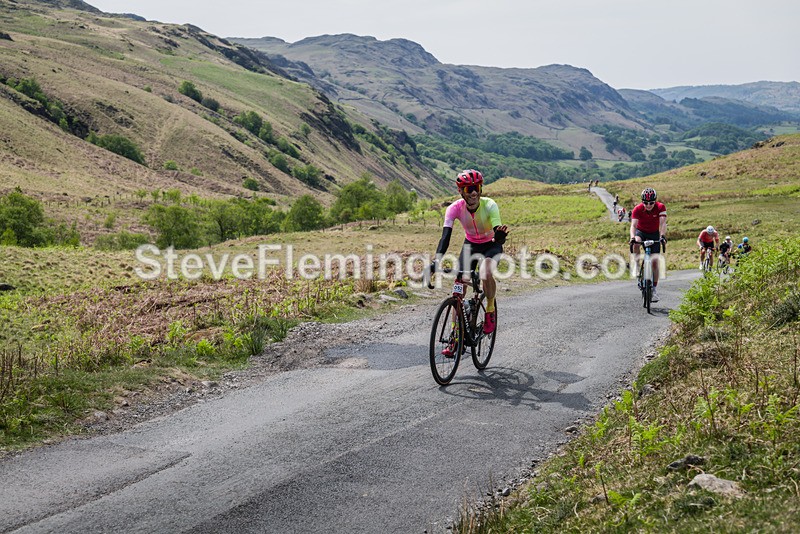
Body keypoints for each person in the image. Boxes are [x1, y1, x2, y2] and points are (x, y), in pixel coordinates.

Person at [431, 170, 509, 350]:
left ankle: (490, 309)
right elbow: (445, 237)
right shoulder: (454, 208)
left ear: (480, 189)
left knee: (485, 272)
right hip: (470, 246)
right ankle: (454, 337)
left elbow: (498, 230)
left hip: (491, 244)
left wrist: (500, 237)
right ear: (461, 191)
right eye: (469, 189)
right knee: (458, 288)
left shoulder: (490, 205)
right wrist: (436, 261)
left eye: (477, 188)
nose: (473, 192)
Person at [630, 187, 667, 302]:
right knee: (636, 242)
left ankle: (654, 289)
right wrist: (632, 238)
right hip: (641, 232)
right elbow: (633, 226)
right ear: (642, 202)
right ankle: (636, 265)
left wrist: (662, 236)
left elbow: (663, 224)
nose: (648, 205)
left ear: (655, 201)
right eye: (645, 203)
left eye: (651, 202)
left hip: (654, 234)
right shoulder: (638, 209)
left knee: (655, 263)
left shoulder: (660, 207)